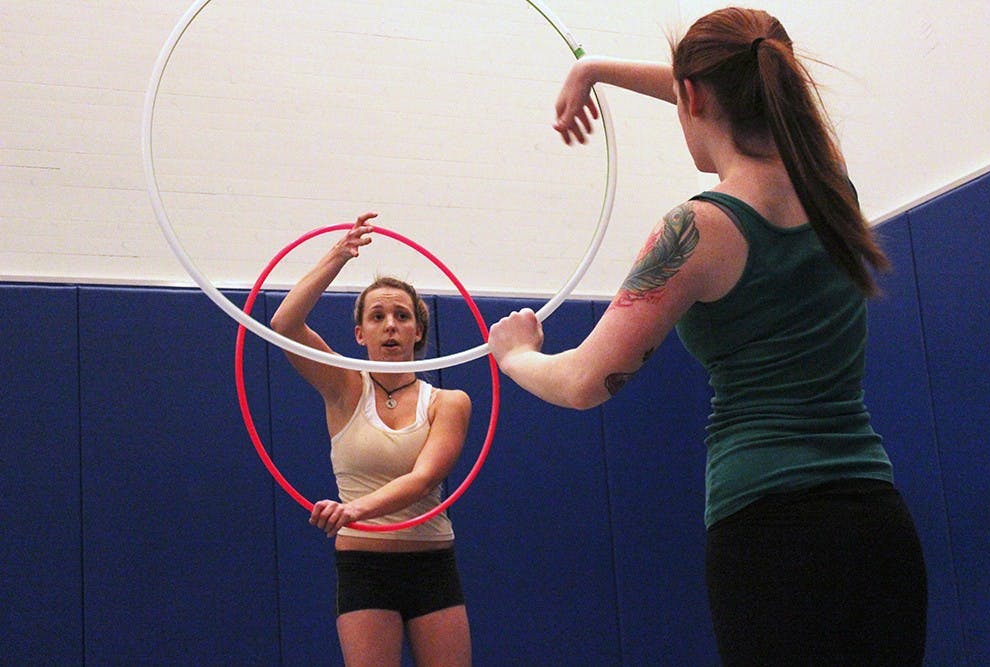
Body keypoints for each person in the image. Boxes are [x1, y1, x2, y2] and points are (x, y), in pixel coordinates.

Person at [488, 7, 927, 665]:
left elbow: (583, 380)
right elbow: (737, 89)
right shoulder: (833, 183)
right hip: (877, 525)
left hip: (769, 538)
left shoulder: (699, 230)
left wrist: (516, 353)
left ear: (690, 95)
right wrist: (595, 69)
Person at [271, 211, 473, 667]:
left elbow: (423, 479)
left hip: (432, 565)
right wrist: (338, 255)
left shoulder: (449, 401)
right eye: (377, 316)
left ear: (418, 330)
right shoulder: (344, 386)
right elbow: (283, 325)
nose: (390, 325)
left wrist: (354, 511)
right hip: (365, 568)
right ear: (360, 333)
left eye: (402, 316)